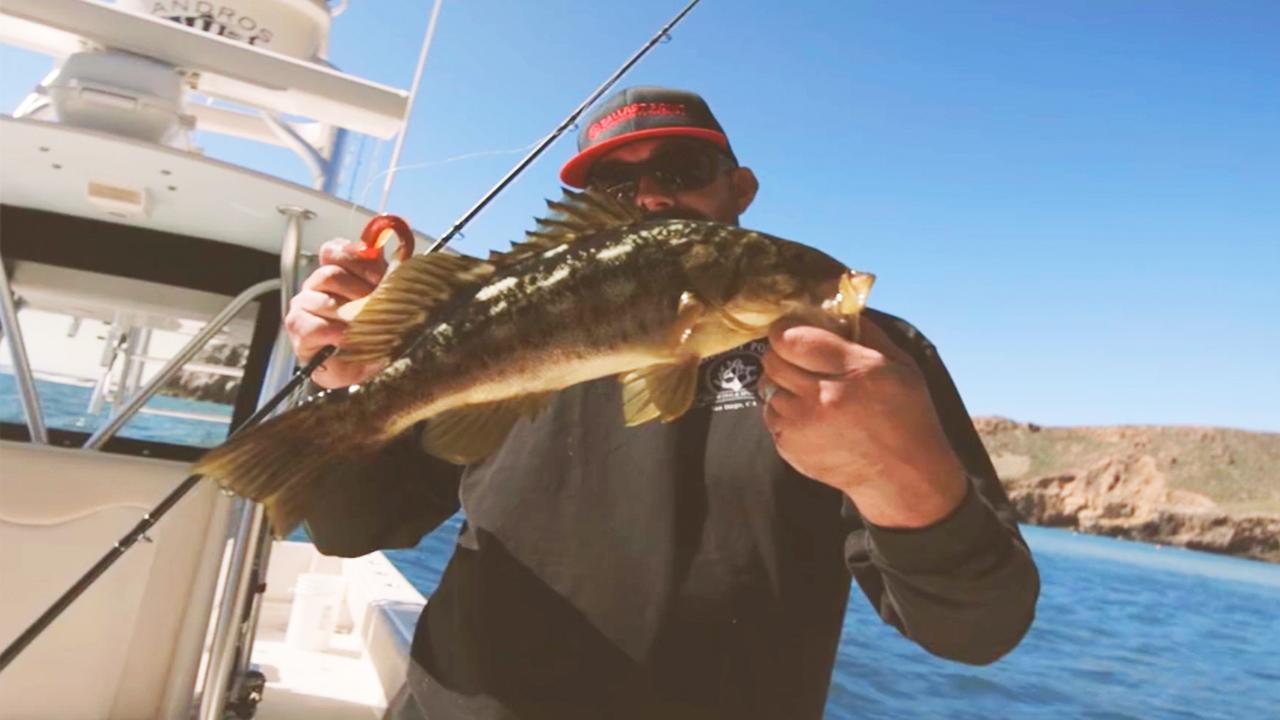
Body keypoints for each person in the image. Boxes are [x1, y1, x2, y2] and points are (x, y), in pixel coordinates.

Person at [286, 86, 1040, 719]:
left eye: (682, 169)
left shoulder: (868, 363)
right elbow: (352, 529)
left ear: (739, 189)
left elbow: (979, 630)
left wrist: (901, 481)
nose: (651, 197)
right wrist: (343, 384)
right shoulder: (512, 321)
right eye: (616, 188)